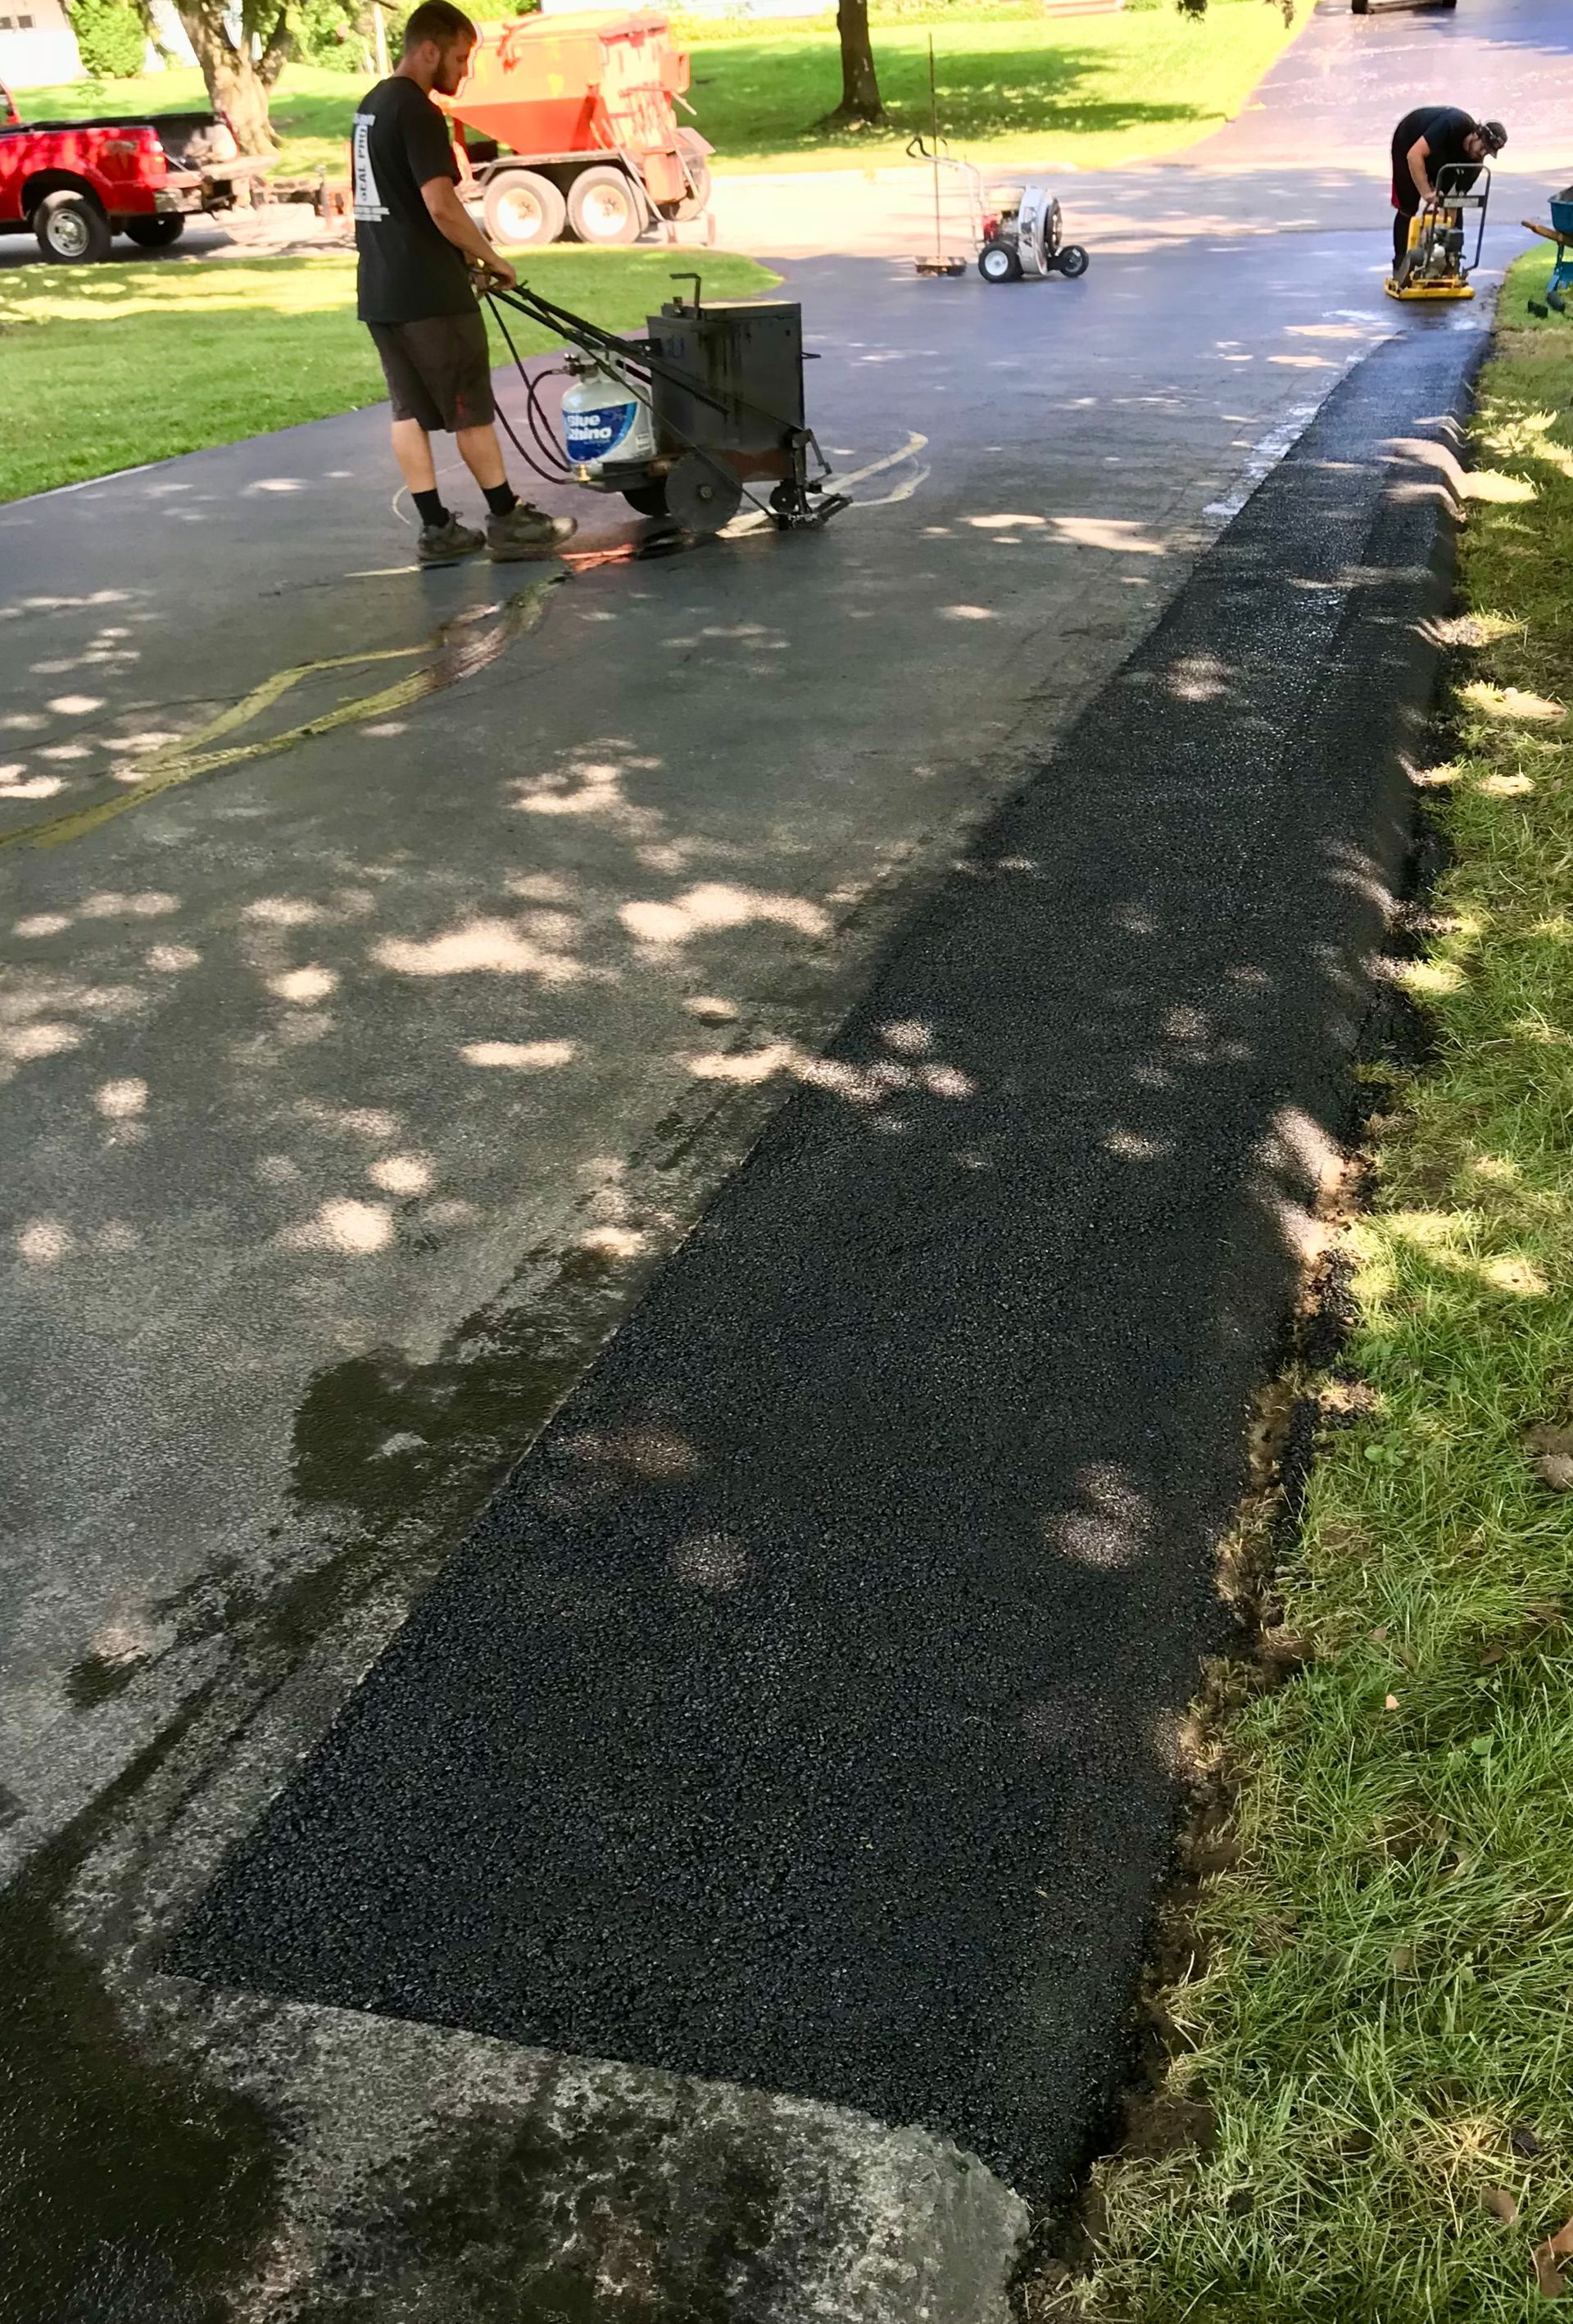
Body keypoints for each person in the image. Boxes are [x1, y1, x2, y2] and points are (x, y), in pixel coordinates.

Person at [353, 0, 577, 566]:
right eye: (460, 57)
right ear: (429, 50)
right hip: (430, 295)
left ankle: (437, 530)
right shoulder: (418, 112)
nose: (464, 71)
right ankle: (507, 520)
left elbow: (391, 203)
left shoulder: (371, 106)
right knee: (468, 406)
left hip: (381, 289)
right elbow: (439, 204)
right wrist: (491, 256)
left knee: (408, 411)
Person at [1389, 107, 1507, 283]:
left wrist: (1446, 234)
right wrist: (1426, 192)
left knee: (1454, 204)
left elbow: (1454, 203)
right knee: (1408, 206)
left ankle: (1451, 262)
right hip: (1409, 140)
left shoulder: (1474, 164)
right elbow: (1414, 155)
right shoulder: (1452, 124)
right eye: (1482, 147)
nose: (1482, 153)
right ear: (1476, 134)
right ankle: (1400, 264)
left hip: (1444, 157)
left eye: (1487, 152)